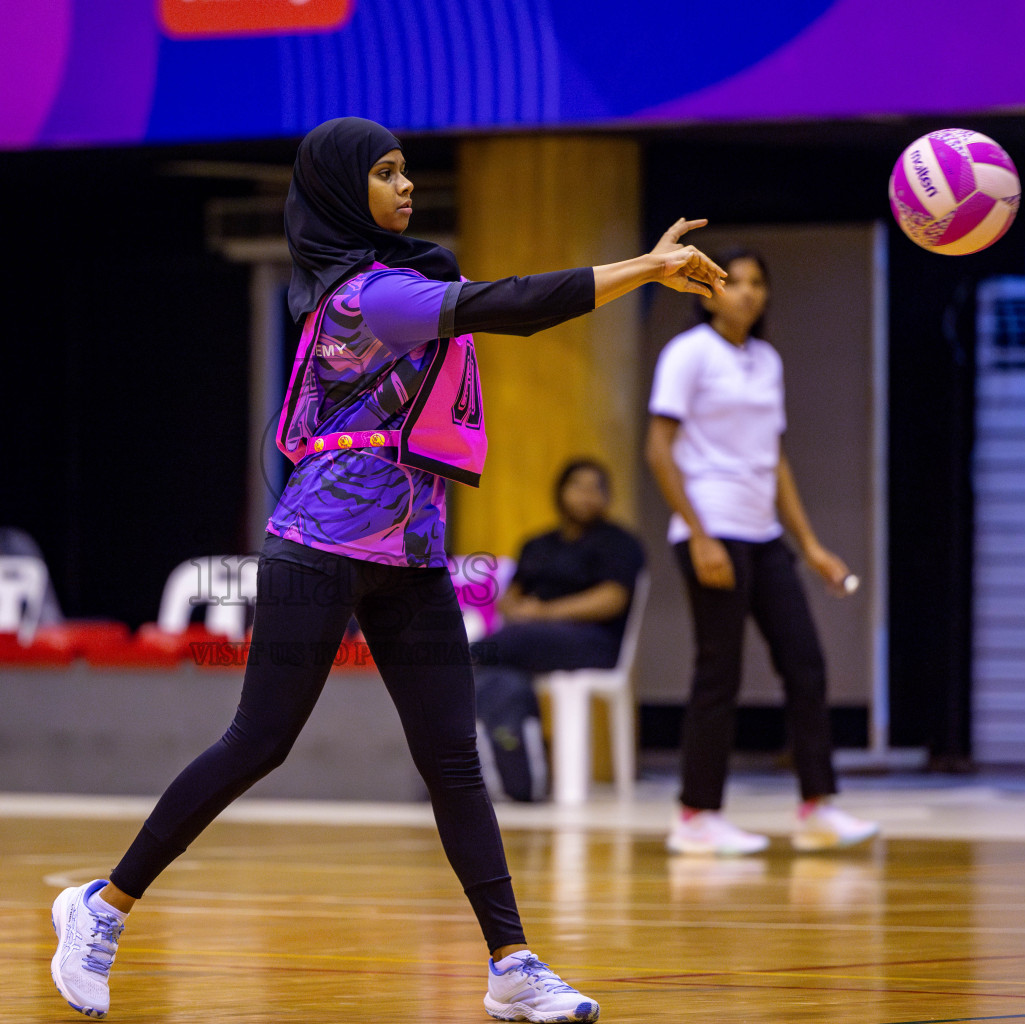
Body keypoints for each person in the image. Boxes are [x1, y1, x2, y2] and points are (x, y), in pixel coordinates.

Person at [48, 116, 725, 1022]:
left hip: (410, 555)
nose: (406, 186)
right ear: (340, 191)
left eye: (407, 170)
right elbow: (515, 303)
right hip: (316, 550)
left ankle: (513, 963)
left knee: (453, 759)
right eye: (387, 173)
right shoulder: (371, 298)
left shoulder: (394, 282)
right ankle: (101, 908)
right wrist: (644, 268)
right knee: (259, 742)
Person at [644, 247, 879, 856]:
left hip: (763, 531)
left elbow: (774, 461)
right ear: (710, 291)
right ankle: (695, 815)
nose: (746, 292)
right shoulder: (688, 354)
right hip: (712, 527)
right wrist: (698, 532)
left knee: (806, 664)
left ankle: (817, 807)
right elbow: (659, 449)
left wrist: (813, 545)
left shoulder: (767, 361)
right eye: (734, 281)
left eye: (756, 283)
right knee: (719, 672)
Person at [474, 458, 644, 802]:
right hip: (532, 641)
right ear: (561, 492)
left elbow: (611, 599)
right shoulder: (537, 544)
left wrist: (544, 612)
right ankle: (516, 773)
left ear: (607, 498)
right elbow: (511, 596)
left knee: (492, 649)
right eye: (578, 486)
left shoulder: (620, 543)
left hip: (594, 640)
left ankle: (462, 659)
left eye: (596, 488)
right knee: (502, 675)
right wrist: (518, 609)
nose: (586, 496)